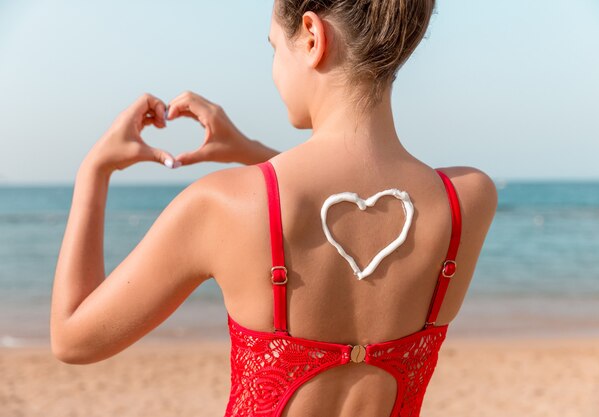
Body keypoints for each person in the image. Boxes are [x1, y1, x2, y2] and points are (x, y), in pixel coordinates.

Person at [50, 0, 498, 416]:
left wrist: (96, 168)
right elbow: (336, 187)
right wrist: (248, 150)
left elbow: (72, 339)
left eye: (273, 48)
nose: (274, 70)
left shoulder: (220, 206)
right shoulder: (467, 200)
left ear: (310, 37)